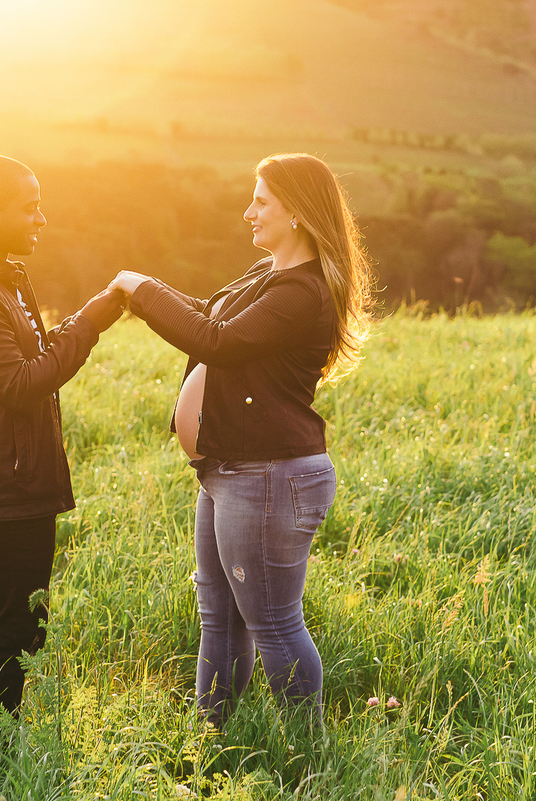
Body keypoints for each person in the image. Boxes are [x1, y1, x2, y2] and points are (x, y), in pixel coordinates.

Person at [109, 153, 374, 727]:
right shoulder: (269, 275)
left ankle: (308, 757)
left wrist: (140, 286)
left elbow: (217, 341)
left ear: (297, 214)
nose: (247, 212)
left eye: (261, 202)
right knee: (220, 621)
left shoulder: (302, 294)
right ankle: (211, 742)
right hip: (228, 472)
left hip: (270, 477)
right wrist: (143, 294)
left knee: (274, 623)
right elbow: (207, 314)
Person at [0, 154, 124, 734]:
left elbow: (27, 358)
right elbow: (20, 383)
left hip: (10, 476)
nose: (42, 219)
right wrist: (92, 321)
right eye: (30, 208)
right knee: (12, 624)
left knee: (23, 623)